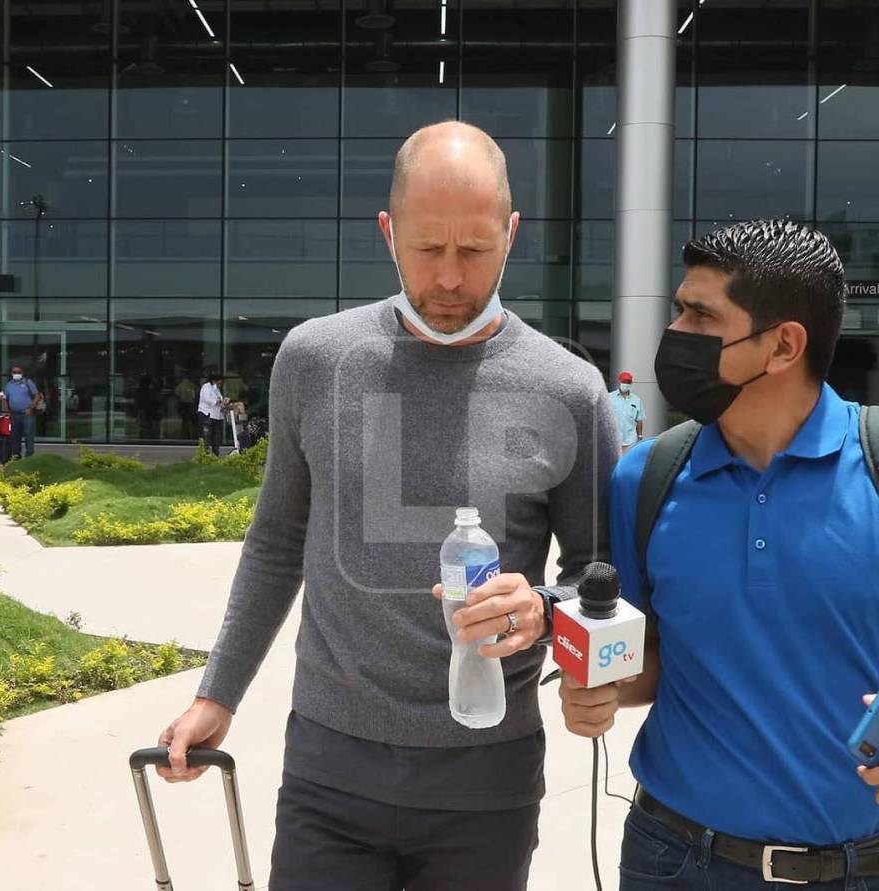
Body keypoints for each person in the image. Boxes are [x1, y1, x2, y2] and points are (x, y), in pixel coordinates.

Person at [157, 121, 620, 891]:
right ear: (386, 232)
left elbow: (598, 572)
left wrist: (544, 606)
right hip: (330, 768)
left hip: (488, 779)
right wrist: (218, 693)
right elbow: (277, 541)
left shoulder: (569, 389)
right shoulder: (314, 359)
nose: (448, 278)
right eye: (425, 247)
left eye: (474, 250)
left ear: (512, 233)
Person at [559, 220, 879, 891]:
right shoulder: (647, 477)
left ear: (784, 344)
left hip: (871, 868)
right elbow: (653, 656)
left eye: (701, 314)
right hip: (674, 859)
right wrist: (602, 687)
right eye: (679, 309)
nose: (677, 334)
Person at [1, 365, 42, 460]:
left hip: (27, 414)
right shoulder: (8, 385)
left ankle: (29, 457)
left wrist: (31, 407)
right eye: (14, 372)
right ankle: (16, 456)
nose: (16, 374)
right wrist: (7, 411)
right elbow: (5, 399)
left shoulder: (28, 382)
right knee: (15, 436)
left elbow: (37, 395)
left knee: (29, 435)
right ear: (11, 374)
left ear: (22, 373)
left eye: (18, 372)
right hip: (14, 415)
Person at [609, 370, 646, 454]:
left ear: (631, 383)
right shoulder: (609, 397)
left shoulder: (637, 400)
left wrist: (640, 436)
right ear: (620, 381)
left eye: (628, 382)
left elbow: (639, 419)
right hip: (614, 438)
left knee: (628, 462)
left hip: (631, 439)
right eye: (624, 381)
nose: (626, 384)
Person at [197, 372, 227, 456]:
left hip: (216, 416)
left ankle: (215, 453)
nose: (220, 385)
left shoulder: (217, 390)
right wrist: (218, 402)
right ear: (214, 381)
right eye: (219, 383)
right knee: (207, 436)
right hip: (207, 414)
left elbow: (219, 401)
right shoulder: (206, 387)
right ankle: (205, 454)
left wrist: (223, 403)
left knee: (216, 436)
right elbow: (207, 399)